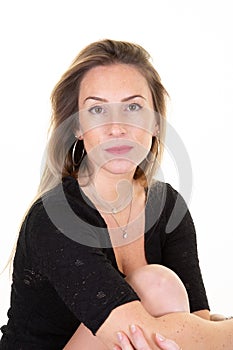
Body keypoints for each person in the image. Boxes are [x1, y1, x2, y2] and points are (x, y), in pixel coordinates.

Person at [0, 39, 232, 350]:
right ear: (78, 127)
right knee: (155, 287)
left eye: (133, 107)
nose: (116, 127)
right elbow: (172, 336)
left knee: (163, 292)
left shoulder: (167, 206)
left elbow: (197, 322)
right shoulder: (55, 216)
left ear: (155, 122)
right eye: (97, 109)